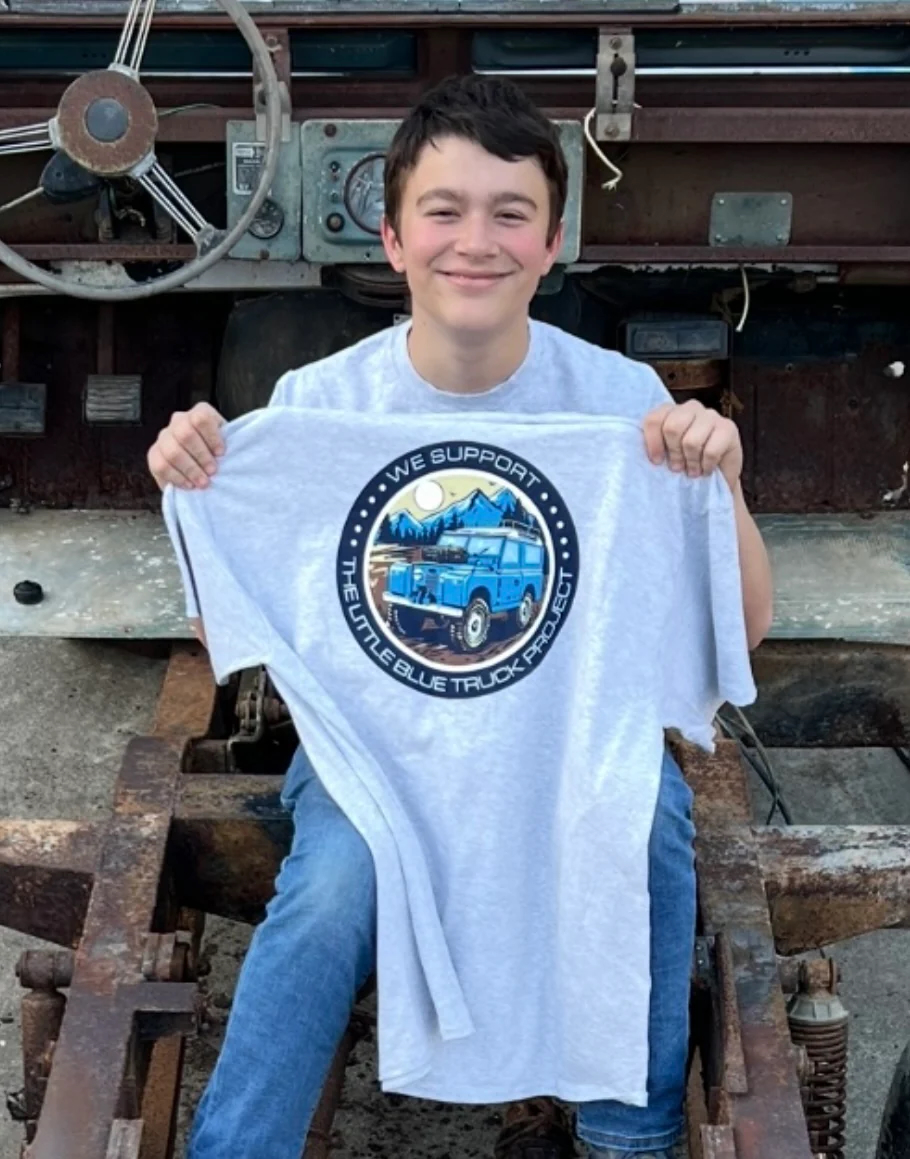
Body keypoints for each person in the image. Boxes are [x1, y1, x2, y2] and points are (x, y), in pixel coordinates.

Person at [148, 75, 772, 1159]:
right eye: (442, 211)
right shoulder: (316, 409)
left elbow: (744, 634)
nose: (472, 241)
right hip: (378, 753)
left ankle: (630, 1136)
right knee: (335, 886)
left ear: (552, 243)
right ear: (392, 239)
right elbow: (237, 641)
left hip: (563, 739)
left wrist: (719, 482)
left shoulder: (621, 402)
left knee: (648, 833)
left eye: (508, 213)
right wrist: (203, 488)